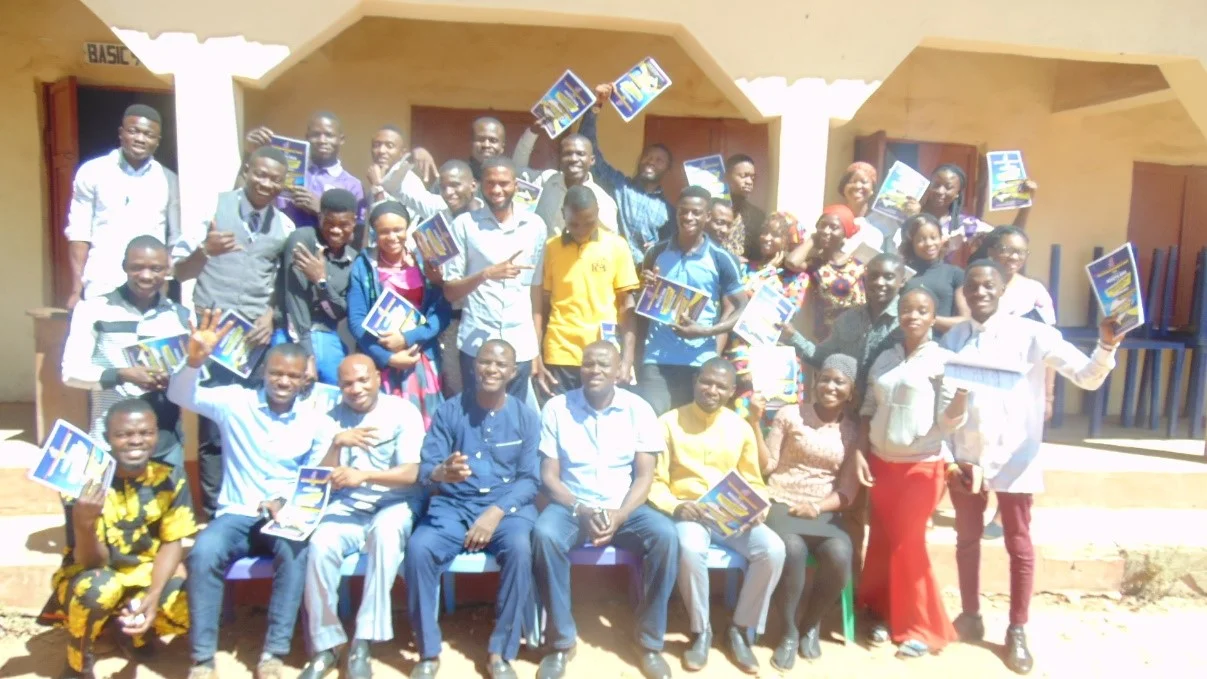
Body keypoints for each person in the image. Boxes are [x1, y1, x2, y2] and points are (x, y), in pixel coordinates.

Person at [942, 259, 1123, 675]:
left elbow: (1088, 377)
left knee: (1019, 546)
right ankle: (970, 615)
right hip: (967, 457)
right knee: (966, 540)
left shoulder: (1032, 334)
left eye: (989, 285)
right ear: (964, 293)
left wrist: (1107, 346)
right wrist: (951, 457)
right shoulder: (953, 338)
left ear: (1002, 290)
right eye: (972, 286)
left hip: (1015, 458)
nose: (980, 292)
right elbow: (945, 406)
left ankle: (1017, 629)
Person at [168, 314, 319, 679]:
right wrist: (194, 361)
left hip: (283, 517)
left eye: (293, 376)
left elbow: (313, 478)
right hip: (236, 513)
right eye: (277, 373)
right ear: (264, 372)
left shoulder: (314, 419)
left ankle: (273, 655)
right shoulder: (236, 402)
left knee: (295, 551)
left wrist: (285, 501)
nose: (283, 381)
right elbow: (180, 395)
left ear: (304, 380)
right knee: (203, 553)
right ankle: (202, 660)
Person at [531, 341, 678, 679]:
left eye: (603, 364)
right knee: (544, 535)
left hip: (622, 505)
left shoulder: (638, 409)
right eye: (588, 364)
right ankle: (561, 643)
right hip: (572, 504)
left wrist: (621, 514)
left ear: (618, 371)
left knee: (666, 536)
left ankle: (649, 642)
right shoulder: (557, 407)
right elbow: (549, 476)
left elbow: (645, 476)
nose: (594, 370)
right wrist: (580, 508)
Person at [172, 145, 296, 518]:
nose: (267, 183)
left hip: (252, 342)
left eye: (276, 179)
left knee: (252, 426)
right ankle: (214, 513)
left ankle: (250, 507)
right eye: (261, 174)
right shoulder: (211, 211)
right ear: (246, 171)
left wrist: (272, 314)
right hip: (212, 335)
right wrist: (206, 251)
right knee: (212, 428)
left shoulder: (284, 226)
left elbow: (283, 284)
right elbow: (178, 272)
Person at [404, 340, 539, 679]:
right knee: (419, 548)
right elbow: (427, 468)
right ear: (473, 366)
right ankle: (428, 652)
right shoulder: (449, 411)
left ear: (513, 372)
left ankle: (499, 652)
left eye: (500, 364)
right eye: (485, 362)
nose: (491, 369)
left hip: (505, 510)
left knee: (520, 549)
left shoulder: (525, 417)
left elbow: (529, 480)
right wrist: (441, 472)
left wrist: (495, 512)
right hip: (454, 506)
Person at [36, 399, 196, 679]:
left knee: (193, 602)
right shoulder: (84, 483)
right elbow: (90, 563)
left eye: (146, 433)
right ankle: (77, 664)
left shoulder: (170, 477)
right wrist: (84, 523)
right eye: (124, 434)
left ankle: (132, 635)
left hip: (143, 576)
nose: (136, 441)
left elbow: (172, 541)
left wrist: (154, 595)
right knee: (102, 588)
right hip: (93, 575)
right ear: (108, 437)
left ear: (157, 434)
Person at [649, 358, 786, 675]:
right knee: (689, 548)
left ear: (732, 391)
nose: (712, 390)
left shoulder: (740, 427)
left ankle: (739, 629)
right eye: (706, 382)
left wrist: (759, 506)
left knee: (773, 550)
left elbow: (754, 480)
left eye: (721, 386)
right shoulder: (668, 423)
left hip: (732, 515)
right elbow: (654, 481)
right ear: (695, 381)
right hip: (690, 513)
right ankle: (701, 630)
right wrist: (676, 506)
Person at [858, 284, 969, 658]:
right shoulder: (885, 357)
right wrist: (861, 452)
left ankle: (921, 627)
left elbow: (950, 422)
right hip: (880, 465)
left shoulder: (945, 361)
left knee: (909, 547)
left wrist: (963, 395)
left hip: (920, 468)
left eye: (922, 310)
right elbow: (869, 407)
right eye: (906, 309)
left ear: (934, 317)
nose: (913, 315)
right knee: (882, 542)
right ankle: (879, 611)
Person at [299, 355, 427, 679]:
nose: (356, 389)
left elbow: (412, 473)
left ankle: (362, 641)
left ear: (377, 377)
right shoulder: (329, 420)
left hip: (393, 503)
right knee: (320, 544)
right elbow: (317, 480)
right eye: (347, 384)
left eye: (362, 380)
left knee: (386, 534)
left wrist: (364, 476)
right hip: (346, 508)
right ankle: (327, 646)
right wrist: (336, 445)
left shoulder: (402, 412)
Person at [747, 354, 858, 669]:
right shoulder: (789, 414)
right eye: (825, 379)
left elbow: (847, 491)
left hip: (823, 508)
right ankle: (789, 631)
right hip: (782, 501)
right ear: (815, 382)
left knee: (839, 554)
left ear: (851, 391)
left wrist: (817, 507)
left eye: (839, 382)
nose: (830, 387)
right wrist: (754, 422)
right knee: (792, 550)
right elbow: (768, 465)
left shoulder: (853, 430)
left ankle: (810, 623)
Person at [61, 236, 189, 467]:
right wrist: (121, 374)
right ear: (124, 267)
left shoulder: (180, 316)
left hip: (165, 442)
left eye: (156, 268)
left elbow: (191, 381)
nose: (146, 276)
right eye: (137, 267)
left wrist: (176, 379)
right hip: (109, 441)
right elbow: (70, 372)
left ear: (167, 270)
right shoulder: (93, 310)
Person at [967, 225, 1058, 539]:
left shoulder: (1035, 293)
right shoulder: (979, 284)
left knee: (1018, 450)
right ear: (992, 251)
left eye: (1019, 252)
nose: (1012, 257)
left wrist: (1049, 395)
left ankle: (1005, 516)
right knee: (982, 445)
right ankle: (978, 507)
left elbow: (1050, 347)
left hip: (1024, 388)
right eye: (1006, 249)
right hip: (984, 384)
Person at [443, 156, 548, 401]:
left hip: (520, 344)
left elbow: (535, 289)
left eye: (504, 183)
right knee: (475, 415)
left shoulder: (535, 226)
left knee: (513, 415)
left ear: (516, 186)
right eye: (490, 183)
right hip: (477, 343)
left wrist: (535, 347)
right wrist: (486, 274)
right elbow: (450, 291)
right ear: (481, 185)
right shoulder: (464, 225)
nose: (497, 190)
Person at [638, 186, 748, 415]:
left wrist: (706, 331)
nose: (688, 217)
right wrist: (643, 287)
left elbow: (742, 308)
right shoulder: (655, 253)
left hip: (700, 363)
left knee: (693, 429)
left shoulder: (722, 259)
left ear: (707, 216)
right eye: (683, 211)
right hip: (657, 360)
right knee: (651, 421)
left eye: (696, 212)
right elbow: (638, 307)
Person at [346, 202, 450, 427]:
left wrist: (407, 338)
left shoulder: (425, 262)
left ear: (407, 229)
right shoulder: (364, 266)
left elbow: (442, 312)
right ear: (374, 232)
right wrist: (388, 358)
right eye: (384, 231)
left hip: (420, 358)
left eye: (398, 230)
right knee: (386, 426)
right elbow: (356, 321)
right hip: (381, 362)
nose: (392, 237)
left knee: (425, 425)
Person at [65, 104, 180, 307]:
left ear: (157, 141)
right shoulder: (93, 172)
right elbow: (79, 233)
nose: (140, 139)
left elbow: (175, 238)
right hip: (102, 281)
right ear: (121, 133)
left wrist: (165, 283)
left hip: (149, 285)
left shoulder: (168, 180)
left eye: (149, 135)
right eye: (134, 131)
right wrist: (76, 289)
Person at [533, 186, 640, 402]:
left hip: (603, 354)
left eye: (589, 222)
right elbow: (542, 306)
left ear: (598, 212)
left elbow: (626, 306)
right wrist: (537, 356)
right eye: (573, 224)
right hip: (560, 351)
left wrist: (627, 360)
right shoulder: (551, 248)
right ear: (563, 215)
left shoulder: (617, 246)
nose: (581, 230)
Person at [391, 158, 483, 399]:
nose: (449, 193)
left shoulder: (488, 218)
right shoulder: (438, 211)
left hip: (482, 318)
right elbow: (393, 186)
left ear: (473, 185)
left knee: (483, 385)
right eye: (443, 187)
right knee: (455, 387)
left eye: (455, 185)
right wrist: (410, 159)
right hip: (450, 317)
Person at [784, 253, 906, 407]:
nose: (879, 282)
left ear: (902, 281)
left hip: (889, 410)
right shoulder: (848, 318)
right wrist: (792, 336)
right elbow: (822, 357)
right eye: (873, 276)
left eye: (888, 277)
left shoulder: (908, 321)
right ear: (865, 279)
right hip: (850, 409)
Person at [724, 212, 809, 426]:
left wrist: (770, 272)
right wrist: (766, 272)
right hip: (741, 350)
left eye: (776, 235)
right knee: (742, 417)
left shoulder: (797, 277)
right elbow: (736, 302)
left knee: (775, 422)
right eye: (765, 232)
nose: (767, 238)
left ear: (789, 241)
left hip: (775, 357)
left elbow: (785, 311)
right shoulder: (744, 267)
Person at [582, 83, 676, 267]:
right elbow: (588, 151)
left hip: (643, 276)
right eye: (648, 157)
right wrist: (595, 108)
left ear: (668, 169)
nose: (651, 161)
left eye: (659, 160)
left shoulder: (669, 212)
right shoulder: (620, 186)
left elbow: (673, 250)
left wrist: (659, 249)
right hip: (608, 269)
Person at [282, 188, 359, 384]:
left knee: (341, 389)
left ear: (354, 222)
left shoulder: (353, 259)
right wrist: (307, 354)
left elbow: (339, 313)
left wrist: (321, 282)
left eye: (343, 225)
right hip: (292, 333)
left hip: (327, 335)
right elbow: (295, 300)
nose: (335, 230)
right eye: (329, 223)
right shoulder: (303, 239)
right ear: (320, 217)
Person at [244, 112, 366, 230]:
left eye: (329, 135)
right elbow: (244, 195)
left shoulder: (352, 185)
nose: (322, 140)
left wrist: (321, 210)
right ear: (307, 137)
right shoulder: (286, 171)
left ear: (341, 139)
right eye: (316, 134)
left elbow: (354, 235)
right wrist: (250, 152)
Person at [902, 164, 1036, 266]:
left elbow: (1010, 237)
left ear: (957, 194)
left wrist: (1026, 204)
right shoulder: (906, 211)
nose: (940, 191)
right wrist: (913, 218)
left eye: (948, 187)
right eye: (936, 185)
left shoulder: (964, 225)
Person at [511, 131, 619, 236]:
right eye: (568, 153)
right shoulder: (547, 180)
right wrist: (532, 133)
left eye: (580, 154)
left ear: (592, 160)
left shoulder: (603, 201)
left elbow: (610, 243)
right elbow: (516, 171)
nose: (573, 159)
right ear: (559, 158)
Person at [789, 205, 865, 341]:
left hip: (854, 338)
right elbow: (792, 262)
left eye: (833, 227)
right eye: (822, 225)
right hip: (824, 339)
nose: (826, 231)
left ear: (845, 233)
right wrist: (813, 239)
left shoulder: (859, 265)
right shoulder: (815, 265)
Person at [898, 213, 968, 333]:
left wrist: (927, 320)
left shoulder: (955, 274)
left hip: (940, 342)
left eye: (933, 237)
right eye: (921, 239)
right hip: (903, 342)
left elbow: (965, 321)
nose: (929, 243)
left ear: (941, 238)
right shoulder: (902, 274)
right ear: (911, 243)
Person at [834, 161, 888, 251]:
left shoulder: (882, 221)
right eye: (852, 181)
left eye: (864, 182)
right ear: (843, 188)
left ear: (872, 189)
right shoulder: (834, 219)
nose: (858, 186)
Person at [723, 154, 766, 261]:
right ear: (727, 177)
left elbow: (757, 254)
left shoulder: (757, 216)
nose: (749, 182)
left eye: (752, 178)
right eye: (743, 176)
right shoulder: (711, 211)